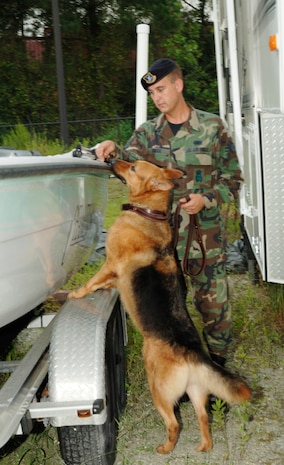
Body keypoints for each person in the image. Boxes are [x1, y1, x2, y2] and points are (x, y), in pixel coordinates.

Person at [96, 58, 243, 368]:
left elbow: (233, 181)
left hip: (205, 238)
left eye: (161, 89)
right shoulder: (148, 133)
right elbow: (127, 164)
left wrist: (205, 199)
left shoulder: (212, 127)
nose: (157, 97)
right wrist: (110, 148)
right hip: (160, 241)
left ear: (179, 85)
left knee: (214, 307)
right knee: (169, 309)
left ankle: (218, 367)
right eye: (152, 93)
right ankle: (183, 365)